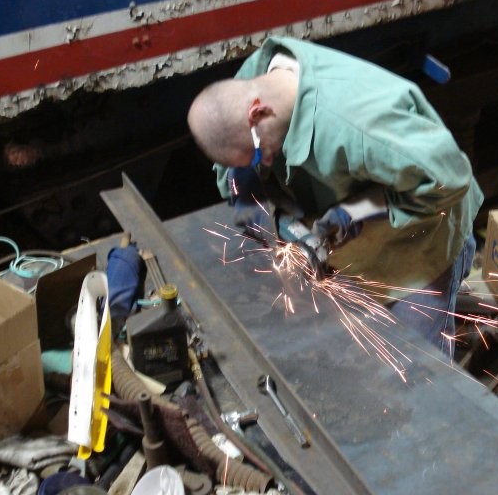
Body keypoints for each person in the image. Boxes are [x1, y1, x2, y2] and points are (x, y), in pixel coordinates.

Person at [187, 36, 483, 358]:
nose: (267, 163)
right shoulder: (252, 78)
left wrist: (355, 211)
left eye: (259, 155)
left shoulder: (359, 123)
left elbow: (449, 180)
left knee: (416, 368)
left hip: (419, 243)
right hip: (359, 249)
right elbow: (232, 163)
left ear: (258, 112)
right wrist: (245, 185)